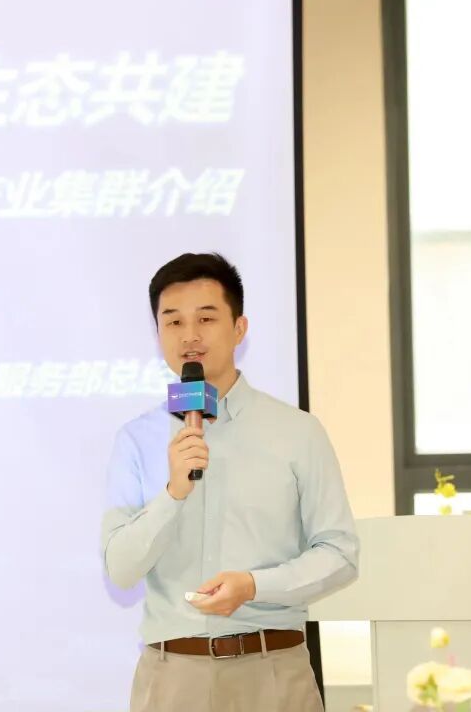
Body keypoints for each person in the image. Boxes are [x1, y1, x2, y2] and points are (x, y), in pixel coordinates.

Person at [101, 252, 359, 711]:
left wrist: (254, 586)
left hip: (273, 671)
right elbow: (121, 569)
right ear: (158, 334)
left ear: (239, 328)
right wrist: (173, 493)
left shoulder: (297, 432)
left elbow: (339, 554)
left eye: (206, 318)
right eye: (173, 321)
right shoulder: (136, 440)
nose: (189, 335)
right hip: (173, 677)